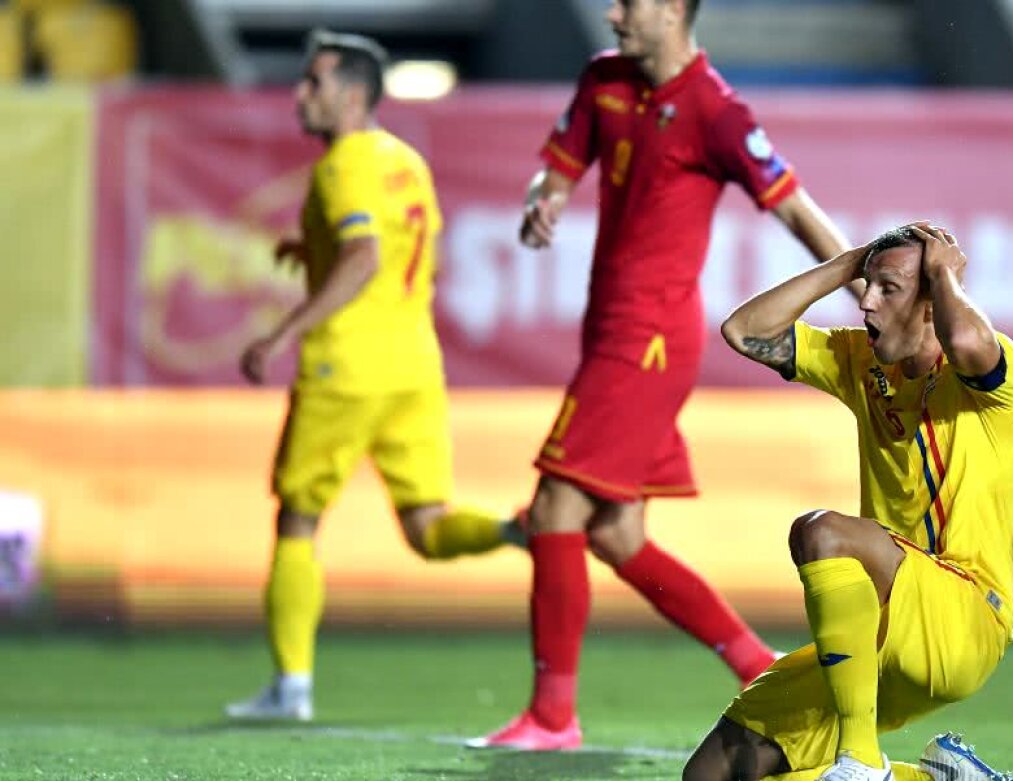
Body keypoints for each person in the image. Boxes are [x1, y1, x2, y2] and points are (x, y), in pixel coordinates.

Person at [470, 0, 856, 751]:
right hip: (608, 327)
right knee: (616, 534)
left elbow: (796, 212)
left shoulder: (716, 110)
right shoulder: (603, 80)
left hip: (647, 339)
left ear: (676, 9)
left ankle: (552, 717)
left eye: (631, 1)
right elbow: (557, 170)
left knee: (554, 508)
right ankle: (761, 667)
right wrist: (543, 202)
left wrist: (868, 284)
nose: (613, 13)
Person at [225, 29, 521, 722]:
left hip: (345, 366)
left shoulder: (342, 166)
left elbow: (363, 257)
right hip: (413, 365)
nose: (301, 94)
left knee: (298, 519)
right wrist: (313, 249)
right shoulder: (406, 161)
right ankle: (519, 530)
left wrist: (283, 332)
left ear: (353, 96)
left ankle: (290, 687)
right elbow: (405, 250)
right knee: (428, 526)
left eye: (315, 83)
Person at [682, 225, 1013, 781]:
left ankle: (860, 758)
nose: (866, 302)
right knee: (711, 775)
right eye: (868, 286)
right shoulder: (861, 361)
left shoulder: (988, 377)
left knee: (822, 533)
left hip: (963, 619)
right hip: (875, 629)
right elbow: (744, 330)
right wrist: (851, 263)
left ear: (930, 302)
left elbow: (965, 342)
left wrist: (943, 273)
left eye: (889, 289)